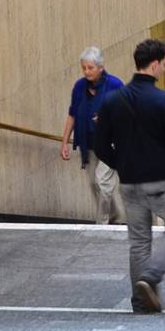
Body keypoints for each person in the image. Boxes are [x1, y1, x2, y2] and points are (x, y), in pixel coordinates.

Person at [93, 38, 165, 315]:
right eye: (164, 65)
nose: (164, 70)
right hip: (159, 181)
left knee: (139, 241)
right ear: (154, 64)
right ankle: (152, 275)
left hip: (129, 183)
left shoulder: (112, 100)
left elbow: (98, 144)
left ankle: (140, 302)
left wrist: (120, 164)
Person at [59, 46, 124, 225]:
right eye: (84, 68)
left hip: (111, 143)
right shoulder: (79, 87)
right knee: (94, 185)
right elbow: (72, 114)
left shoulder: (115, 85)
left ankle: (101, 224)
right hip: (87, 143)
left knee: (102, 183)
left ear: (101, 67)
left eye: (90, 68)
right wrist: (64, 142)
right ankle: (114, 216)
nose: (87, 72)